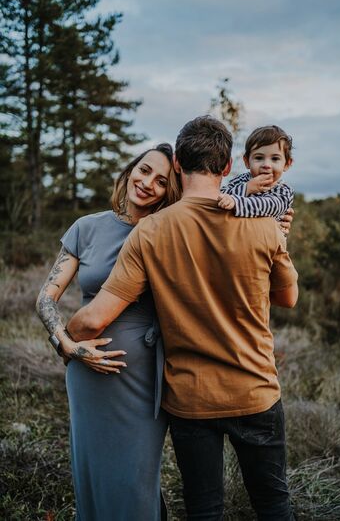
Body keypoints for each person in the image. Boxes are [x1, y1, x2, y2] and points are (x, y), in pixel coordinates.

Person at [64, 115, 299, 520]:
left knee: (204, 510)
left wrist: (65, 338)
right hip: (255, 390)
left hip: (191, 401)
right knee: (273, 503)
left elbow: (93, 320)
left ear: (176, 166)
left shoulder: (151, 230)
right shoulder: (264, 225)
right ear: (228, 168)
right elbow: (288, 298)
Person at [36, 143, 181, 521]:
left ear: (170, 192)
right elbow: (46, 298)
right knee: (94, 475)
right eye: (144, 170)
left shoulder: (167, 234)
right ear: (130, 169)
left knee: (135, 480)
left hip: (142, 378)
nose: (148, 183)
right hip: (86, 376)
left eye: (161, 181)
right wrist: (66, 345)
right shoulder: (86, 227)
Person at [218, 124, 294, 220]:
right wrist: (246, 188)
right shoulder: (241, 180)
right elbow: (220, 196)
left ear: (287, 164)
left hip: (266, 234)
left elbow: (269, 206)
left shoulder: (283, 191)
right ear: (247, 162)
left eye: (275, 158)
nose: (266, 165)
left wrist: (236, 202)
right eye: (259, 158)